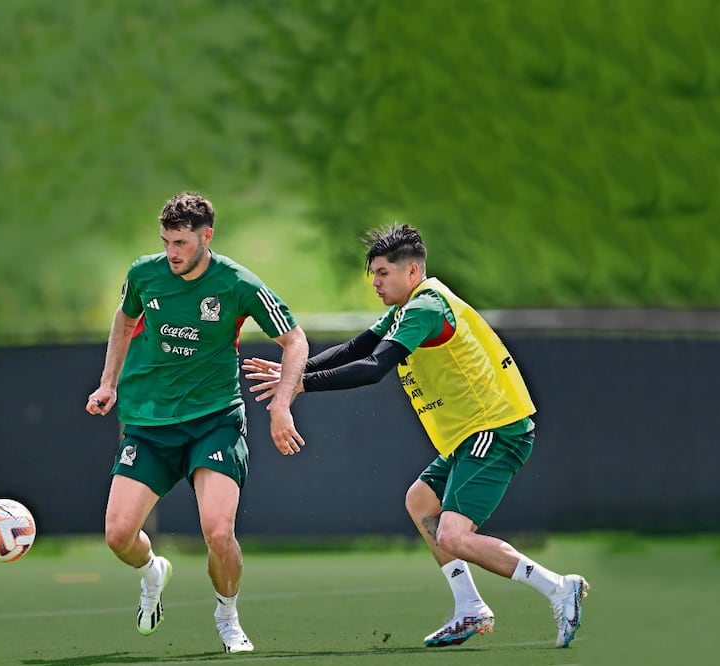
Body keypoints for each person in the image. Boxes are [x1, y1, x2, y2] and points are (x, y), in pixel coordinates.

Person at [243, 223, 590, 650]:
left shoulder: (425, 307)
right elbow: (356, 348)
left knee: (453, 536)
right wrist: (296, 371)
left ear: (412, 272)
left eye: (383, 273)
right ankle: (470, 607)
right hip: (472, 433)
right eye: (373, 274)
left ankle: (558, 587)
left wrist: (301, 385)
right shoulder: (408, 307)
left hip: (493, 430)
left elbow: (373, 368)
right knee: (421, 501)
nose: (375, 282)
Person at [86, 192, 308, 654]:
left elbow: (295, 341)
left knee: (218, 532)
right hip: (149, 423)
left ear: (207, 237)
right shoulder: (144, 273)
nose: (172, 252)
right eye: (166, 241)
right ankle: (153, 573)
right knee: (117, 536)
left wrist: (282, 404)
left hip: (214, 421)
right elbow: (124, 322)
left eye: (182, 242)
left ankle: (227, 617)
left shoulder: (237, 283)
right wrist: (107, 383)